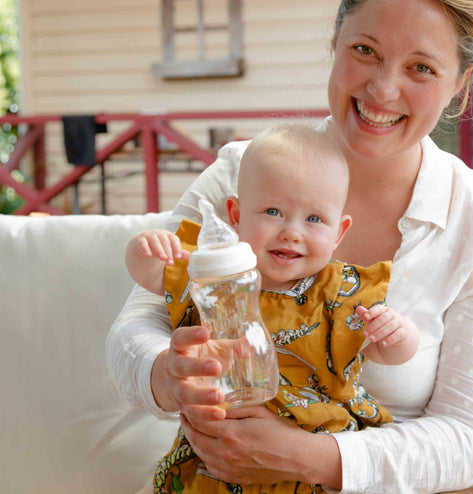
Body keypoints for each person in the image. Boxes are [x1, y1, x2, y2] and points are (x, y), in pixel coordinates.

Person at [107, 0, 473, 494]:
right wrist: (166, 374)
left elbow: (468, 439)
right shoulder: (241, 173)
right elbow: (137, 324)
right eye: (365, 50)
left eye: (421, 68)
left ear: (460, 85)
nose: (383, 90)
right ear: (335, 43)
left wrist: (308, 458)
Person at [125, 124, 421, 493]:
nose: (291, 232)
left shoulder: (340, 290)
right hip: (222, 454)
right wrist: (145, 248)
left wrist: (397, 334)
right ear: (235, 214)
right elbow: (152, 276)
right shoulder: (215, 272)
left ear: (339, 232)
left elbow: (387, 353)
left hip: (316, 451)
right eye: (272, 211)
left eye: (314, 219)